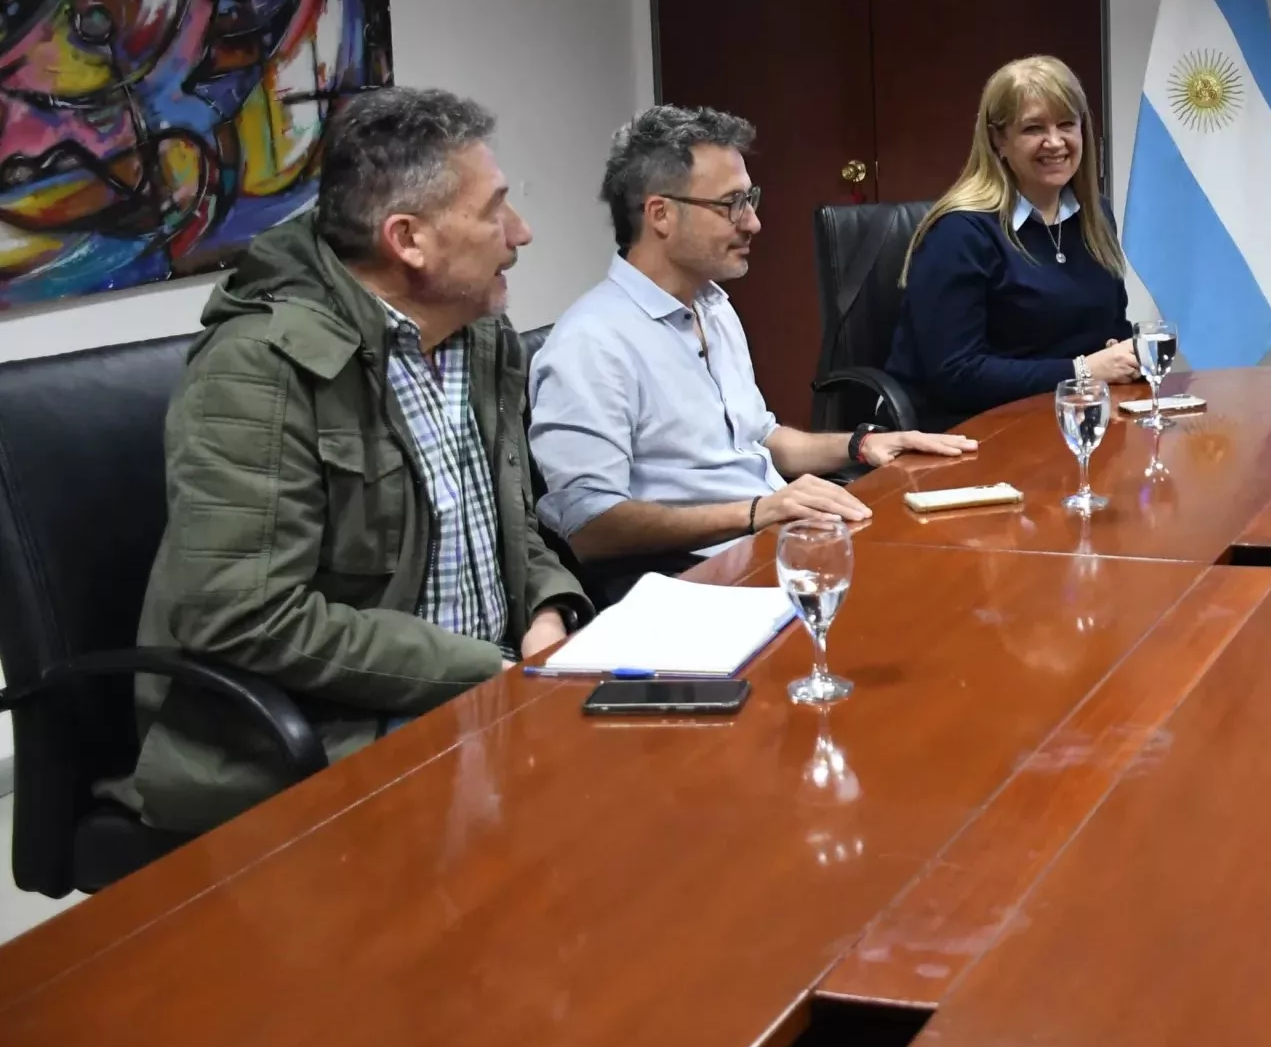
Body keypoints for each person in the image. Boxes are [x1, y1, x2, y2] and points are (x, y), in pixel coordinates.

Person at [114, 88, 590, 836]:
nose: (520, 232)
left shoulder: (476, 334)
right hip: (340, 731)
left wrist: (545, 612)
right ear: (409, 240)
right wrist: (477, 671)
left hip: (493, 695)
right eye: (495, 209)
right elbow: (244, 615)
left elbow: (507, 520)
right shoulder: (262, 367)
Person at [530, 106, 975, 599]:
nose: (754, 222)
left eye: (750, 199)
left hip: (770, 543)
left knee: (949, 567)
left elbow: (758, 437)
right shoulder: (591, 343)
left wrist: (862, 444)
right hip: (699, 579)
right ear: (660, 214)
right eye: (732, 204)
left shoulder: (713, 307)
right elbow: (590, 526)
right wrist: (758, 512)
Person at [886, 56, 1135, 429]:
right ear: (998, 140)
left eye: (1067, 124)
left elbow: (1111, 328)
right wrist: (1083, 370)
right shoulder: (960, 232)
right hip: (975, 431)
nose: (1055, 142)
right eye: (1033, 128)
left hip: (1074, 419)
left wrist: (1124, 355)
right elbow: (955, 373)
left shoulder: (1094, 215)